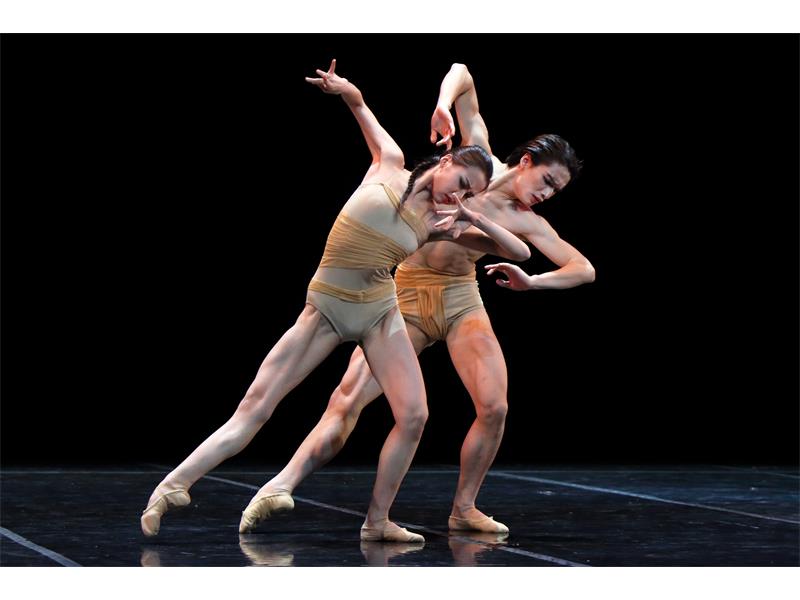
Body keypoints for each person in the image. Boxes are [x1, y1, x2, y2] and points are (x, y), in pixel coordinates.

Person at [140, 60, 530, 542]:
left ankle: (377, 522)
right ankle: (173, 486)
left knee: (414, 415)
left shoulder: (442, 223)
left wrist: (475, 216)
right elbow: (359, 105)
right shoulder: (388, 163)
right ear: (446, 162)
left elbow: (519, 252)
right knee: (255, 409)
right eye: (461, 185)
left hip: (380, 312)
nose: (458, 197)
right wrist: (343, 87)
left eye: (470, 194)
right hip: (327, 308)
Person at [240, 63, 595, 536]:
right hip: (405, 293)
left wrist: (532, 283)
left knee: (495, 407)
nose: (548, 195)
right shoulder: (480, 158)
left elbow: (583, 269)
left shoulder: (527, 220)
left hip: (461, 300)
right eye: (548, 182)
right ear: (527, 161)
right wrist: (443, 105)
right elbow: (462, 72)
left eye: (557, 191)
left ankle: (463, 508)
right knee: (347, 399)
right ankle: (280, 484)